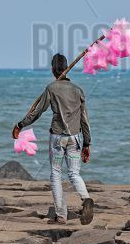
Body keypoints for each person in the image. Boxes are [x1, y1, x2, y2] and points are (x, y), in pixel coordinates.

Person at [12, 53, 94, 225]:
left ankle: (61, 216)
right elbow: (84, 120)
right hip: (75, 138)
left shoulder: (51, 88)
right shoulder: (78, 90)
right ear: (65, 69)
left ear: (52, 70)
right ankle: (86, 198)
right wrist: (87, 143)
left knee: (56, 174)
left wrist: (21, 125)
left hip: (57, 138)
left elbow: (37, 112)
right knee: (74, 173)